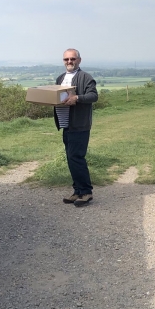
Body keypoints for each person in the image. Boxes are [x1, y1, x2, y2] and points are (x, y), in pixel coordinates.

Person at [54, 49, 98, 207]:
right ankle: (77, 191)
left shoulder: (86, 77)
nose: (69, 61)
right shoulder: (60, 78)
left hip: (79, 125)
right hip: (65, 124)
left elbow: (93, 96)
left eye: (73, 58)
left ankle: (86, 192)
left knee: (76, 158)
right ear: (63, 60)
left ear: (79, 60)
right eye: (66, 59)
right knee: (71, 159)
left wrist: (77, 98)